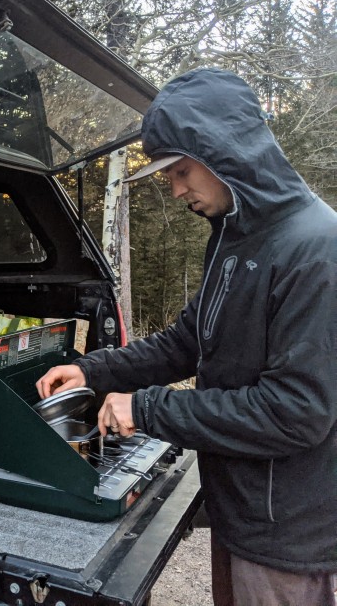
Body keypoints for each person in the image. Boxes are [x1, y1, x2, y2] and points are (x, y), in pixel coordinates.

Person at [36, 68, 337, 606]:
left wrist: (148, 410)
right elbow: (186, 341)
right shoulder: (235, 235)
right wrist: (94, 370)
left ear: (226, 152)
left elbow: (296, 412)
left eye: (179, 170)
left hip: (284, 532)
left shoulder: (316, 250)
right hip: (239, 510)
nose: (175, 190)